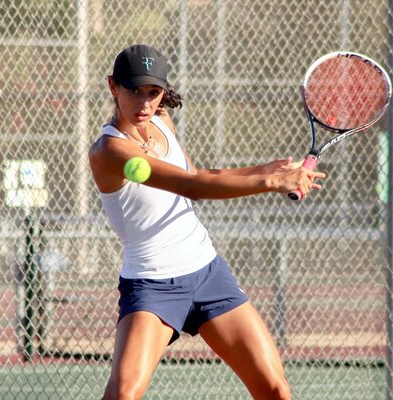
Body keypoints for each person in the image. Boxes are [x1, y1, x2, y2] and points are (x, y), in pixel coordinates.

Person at [88, 44, 325, 400]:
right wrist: (269, 183)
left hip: (207, 273)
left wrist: (266, 170)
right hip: (153, 285)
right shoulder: (109, 151)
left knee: (275, 389)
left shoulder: (162, 122)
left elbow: (196, 174)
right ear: (113, 87)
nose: (145, 103)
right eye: (134, 91)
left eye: (153, 93)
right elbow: (190, 186)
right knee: (123, 394)